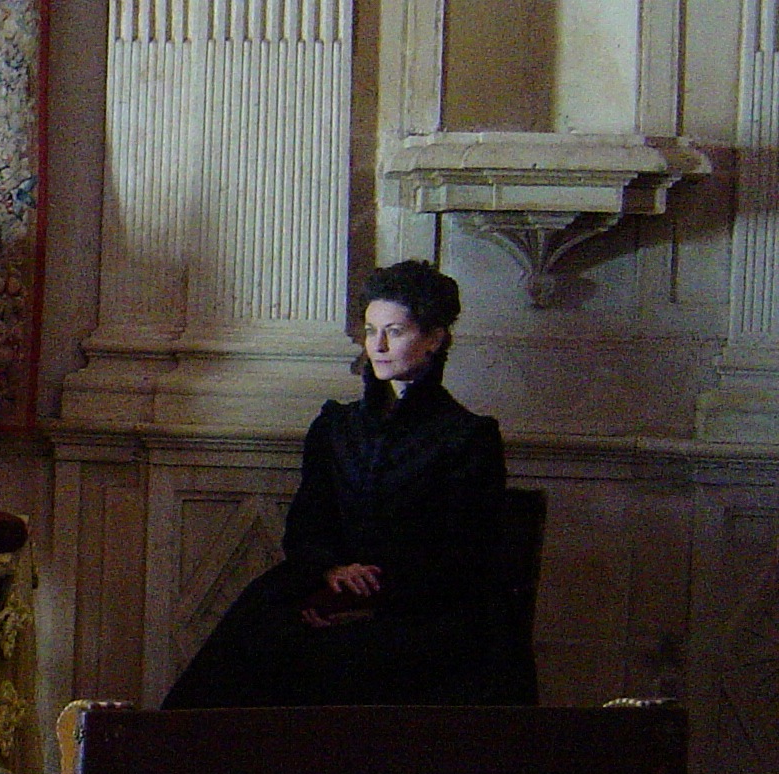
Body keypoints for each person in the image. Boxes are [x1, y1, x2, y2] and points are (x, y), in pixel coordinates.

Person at [162, 260, 533, 709]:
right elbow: (307, 525)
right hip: (331, 583)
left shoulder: (466, 437)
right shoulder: (336, 426)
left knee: (352, 659)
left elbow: (465, 553)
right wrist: (332, 572)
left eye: (395, 332)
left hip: (425, 606)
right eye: (370, 330)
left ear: (434, 338)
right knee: (259, 635)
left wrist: (378, 597)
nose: (377, 345)